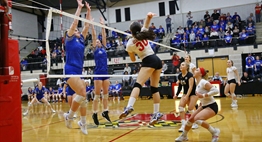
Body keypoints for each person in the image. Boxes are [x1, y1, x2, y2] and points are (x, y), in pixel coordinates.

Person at [119, 12, 163, 125]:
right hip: (157, 60)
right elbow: (147, 19)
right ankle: (156, 113)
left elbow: (133, 60)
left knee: (137, 84)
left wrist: (132, 51)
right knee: (154, 88)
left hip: (148, 60)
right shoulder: (143, 32)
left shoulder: (129, 44)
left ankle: (129, 107)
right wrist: (149, 15)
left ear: (131, 31)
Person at [63, 0, 91, 135]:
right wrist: (79, 8)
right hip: (70, 69)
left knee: (83, 99)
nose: (78, 30)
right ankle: (71, 117)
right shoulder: (69, 39)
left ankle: (81, 121)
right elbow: (75, 23)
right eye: (76, 30)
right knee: (83, 93)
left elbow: (87, 25)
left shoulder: (81, 40)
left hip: (79, 71)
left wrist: (89, 11)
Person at [175, 67, 220, 142]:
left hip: (212, 106)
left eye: (197, 70)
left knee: (197, 119)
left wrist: (203, 96)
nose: (194, 71)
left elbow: (216, 90)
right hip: (203, 105)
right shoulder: (197, 82)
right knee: (190, 120)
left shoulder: (203, 82)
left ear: (200, 74)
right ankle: (184, 136)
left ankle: (215, 132)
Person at [90, 16, 111, 125]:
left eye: (99, 41)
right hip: (98, 73)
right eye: (96, 41)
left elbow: (103, 35)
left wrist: (102, 25)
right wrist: (92, 25)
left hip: (105, 73)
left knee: (106, 94)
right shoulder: (95, 49)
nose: (98, 42)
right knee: (97, 95)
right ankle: (94, 113)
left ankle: (105, 111)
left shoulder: (103, 47)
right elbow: (94, 36)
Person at [174, 62, 198, 132]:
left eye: (183, 65)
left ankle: (195, 123)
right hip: (185, 93)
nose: (181, 66)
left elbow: (191, 87)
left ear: (187, 67)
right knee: (181, 107)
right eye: (180, 65)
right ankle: (183, 125)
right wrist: (176, 94)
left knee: (190, 108)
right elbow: (180, 87)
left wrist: (187, 96)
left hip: (193, 93)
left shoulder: (190, 75)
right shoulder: (180, 76)